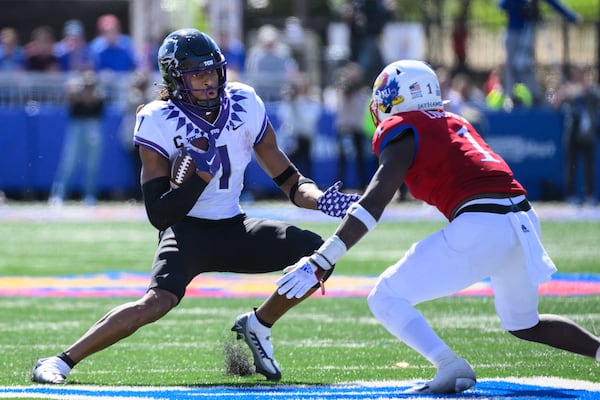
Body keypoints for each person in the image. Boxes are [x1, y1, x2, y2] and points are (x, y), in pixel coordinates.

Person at [32, 28, 359, 384]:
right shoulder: (157, 118)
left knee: (317, 255)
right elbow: (159, 214)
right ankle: (60, 361)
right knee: (155, 303)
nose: (209, 81)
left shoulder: (245, 101)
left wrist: (321, 199)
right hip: (186, 232)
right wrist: (198, 178)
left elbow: (290, 180)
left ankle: (259, 324)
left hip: (234, 226)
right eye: (198, 73)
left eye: (213, 71)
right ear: (175, 78)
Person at [276, 60, 600, 394]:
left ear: (397, 96)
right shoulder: (454, 121)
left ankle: (450, 365)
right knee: (524, 323)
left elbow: (374, 204)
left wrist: (323, 258)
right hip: (523, 222)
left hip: (483, 223)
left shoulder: (404, 127)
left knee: (385, 295)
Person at [499, 0, 580, 106]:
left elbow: (553, 2)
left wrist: (571, 16)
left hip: (528, 31)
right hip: (513, 31)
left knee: (526, 64)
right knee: (511, 64)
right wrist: (521, 5)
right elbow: (502, 5)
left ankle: (534, 94)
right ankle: (511, 96)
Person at [49, 70, 106, 206]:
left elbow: (93, 103)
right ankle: (59, 195)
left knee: (92, 164)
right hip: (77, 127)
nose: (88, 88)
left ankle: (90, 195)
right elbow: (71, 99)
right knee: (69, 162)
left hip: (93, 127)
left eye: (90, 85)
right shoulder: (75, 93)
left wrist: (87, 95)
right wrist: (75, 90)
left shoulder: (99, 95)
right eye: (86, 85)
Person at [552, 64, 600, 207]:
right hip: (573, 133)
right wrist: (564, 94)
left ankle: (590, 195)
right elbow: (556, 105)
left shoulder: (590, 90)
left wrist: (584, 91)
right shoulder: (567, 89)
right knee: (571, 165)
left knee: (589, 166)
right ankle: (571, 195)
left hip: (588, 133)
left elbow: (595, 97)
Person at [277, 72, 321, 177]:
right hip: (292, 138)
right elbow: (282, 116)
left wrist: (296, 104)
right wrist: (290, 101)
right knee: (290, 167)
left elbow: (309, 120)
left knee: (306, 167)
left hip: (305, 138)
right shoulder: (290, 101)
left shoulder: (312, 102)